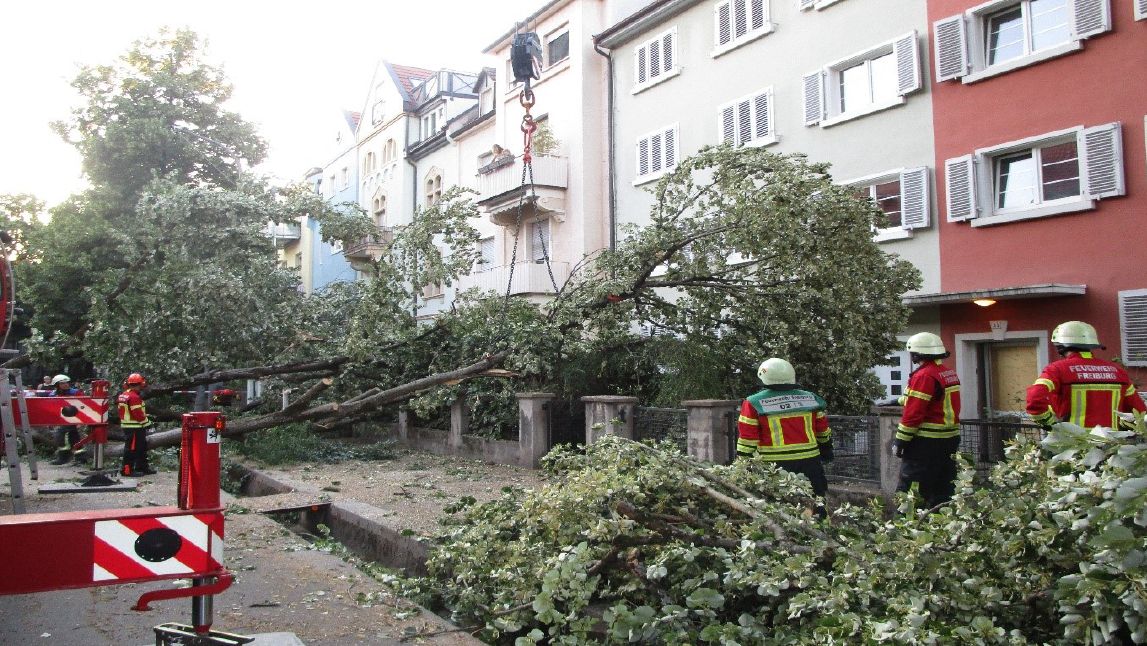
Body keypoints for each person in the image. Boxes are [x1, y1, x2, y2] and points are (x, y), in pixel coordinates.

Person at [736, 358, 834, 517]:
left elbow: (748, 439)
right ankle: (823, 534)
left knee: (778, 510)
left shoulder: (753, 402)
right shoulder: (811, 399)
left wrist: (742, 463)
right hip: (810, 462)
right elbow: (823, 431)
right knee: (817, 503)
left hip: (774, 466)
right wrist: (827, 449)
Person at [1026, 320, 1146, 431]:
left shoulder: (1057, 370)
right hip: (1111, 446)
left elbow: (1034, 398)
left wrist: (1050, 425)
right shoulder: (1118, 372)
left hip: (1072, 446)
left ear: (1060, 346)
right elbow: (1139, 412)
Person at [892, 332, 962, 508]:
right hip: (949, 440)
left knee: (911, 492)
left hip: (925, 444)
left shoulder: (924, 376)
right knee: (942, 489)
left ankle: (905, 530)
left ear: (916, 354)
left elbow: (914, 413)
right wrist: (898, 400)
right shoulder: (947, 373)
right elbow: (929, 399)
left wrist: (900, 441)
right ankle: (940, 527)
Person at [118, 372, 155, 476]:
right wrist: (148, 423)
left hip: (131, 426)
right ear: (139, 384)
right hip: (134, 427)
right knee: (131, 449)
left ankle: (142, 467)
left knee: (142, 447)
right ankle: (127, 470)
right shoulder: (134, 397)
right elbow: (138, 414)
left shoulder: (124, 395)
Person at [46, 374, 84, 465]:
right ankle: (74, 458)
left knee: (67, 436)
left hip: (73, 419)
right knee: (67, 437)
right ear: (57, 385)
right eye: (62, 383)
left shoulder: (75, 392)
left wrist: (81, 421)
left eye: (66, 383)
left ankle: (72, 458)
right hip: (60, 420)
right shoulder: (53, 395)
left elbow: (83, 405)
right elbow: (50, 408)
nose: (66, 385)